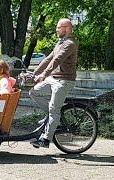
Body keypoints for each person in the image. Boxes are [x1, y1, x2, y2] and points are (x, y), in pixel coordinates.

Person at [29, 18, 78, 148]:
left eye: (58, 27)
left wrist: (44, 74)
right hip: (53, 78)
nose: (56, 30)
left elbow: (57, 60)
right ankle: (52, 118)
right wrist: (34, 73)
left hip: (64, 80)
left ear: (66, 28)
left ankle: (45, 140)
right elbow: (48, 59)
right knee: (34, 92)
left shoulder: (70, 43)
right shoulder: (60, 43)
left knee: (53, 109)